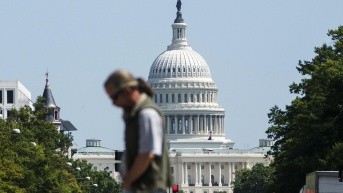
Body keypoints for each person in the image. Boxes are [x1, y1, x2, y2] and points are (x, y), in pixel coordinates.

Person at [104, 70, 171, 193]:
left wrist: (128, 180)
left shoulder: (147, 114)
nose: (113, 104)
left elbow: (148, 153)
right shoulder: (134, 114)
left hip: (148, 187)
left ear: (127, 91)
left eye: (114, 98)